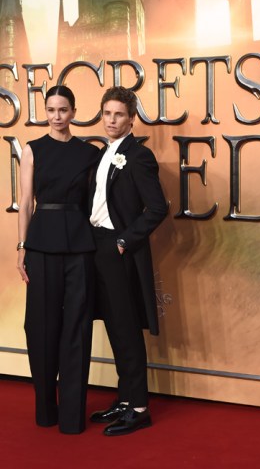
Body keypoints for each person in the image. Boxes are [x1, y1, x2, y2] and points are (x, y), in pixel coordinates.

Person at [16, 85, 100, 434]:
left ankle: (71, 417)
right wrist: (21, 246)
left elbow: (97, 203)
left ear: (74, 111)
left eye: (63, 109)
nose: (56, 116)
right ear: (45, 112)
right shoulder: (33, 151)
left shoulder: (89, 153)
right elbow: (25, 202)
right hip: (41, 245)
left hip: (80, 245)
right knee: (40, 326)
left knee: (77, 329)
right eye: (51, 109)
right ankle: (45, 410)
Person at [89, 86, 168, 436]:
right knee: (113, 328)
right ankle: (125, 399)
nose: (111, 120)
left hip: (117, 249)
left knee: (127, 330)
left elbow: (157, 209)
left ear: (131, 118)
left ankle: (139, 408)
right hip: (96, 246)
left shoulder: (139, 156)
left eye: (118, 114)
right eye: (107, 113)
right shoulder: (103, 152)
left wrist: (123, 242)